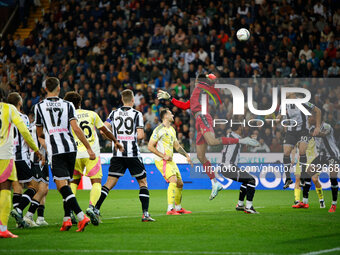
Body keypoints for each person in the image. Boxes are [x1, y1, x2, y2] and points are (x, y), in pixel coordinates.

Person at [157, 73, 258, 200]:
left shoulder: (202, 88)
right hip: (199, 120)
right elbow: (185, 106)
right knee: (200, 156)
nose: (194, 83)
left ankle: (242, 140)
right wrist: (171, 98)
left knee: (212, 141)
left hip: (203, 117)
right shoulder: (198, 92)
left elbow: (214, 82)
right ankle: (215, 183)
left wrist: (209, 77)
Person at [34, 77, 95, 232]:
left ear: (45, 89)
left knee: (62, 187)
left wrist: (46, 145)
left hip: (56, 150)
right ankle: (66, 219)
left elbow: (39, 133)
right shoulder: (68, 105)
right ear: (59, 88)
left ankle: (81, 217)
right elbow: (76, 128)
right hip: (70, 148)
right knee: (66, 185)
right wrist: (88, 148)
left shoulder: (39, 107)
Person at [94, 89, 155, 222]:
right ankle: (145, 214)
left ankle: (96, 208)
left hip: (117, 154)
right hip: (132, 154)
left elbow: (103, 130)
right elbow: (140, 135)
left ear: (122, 100)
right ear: (133, 100)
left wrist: (115, 140)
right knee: (143, 182)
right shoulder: (137, 114)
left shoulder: (114, 113)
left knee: (109, 183)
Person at [63, 91, 123, 225]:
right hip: (91, 154)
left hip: (74, 154)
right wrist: (115, 141)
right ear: (79, 102)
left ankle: (71, 211)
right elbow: (104, 130)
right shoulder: (91, 114)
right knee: (96, 182)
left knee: (73, 182)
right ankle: (91, 208)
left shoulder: (66, 117)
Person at [0, 88, 44, 238]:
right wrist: (36, 150)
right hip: (18, 156)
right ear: (20, 102)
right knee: (34, 186)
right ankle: (17, 211)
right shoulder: (20, 116)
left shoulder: (7, 112)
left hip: (10, 156)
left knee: (17, 186)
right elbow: (26, 134)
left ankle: (18, 220)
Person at [148, 108, 192, 215]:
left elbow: (176, 146)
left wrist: (186, 155)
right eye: (170, 113)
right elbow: (150, 146)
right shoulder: (158, 130)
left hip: (171, 161)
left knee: (180, 183)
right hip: (161, 160)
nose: (173, 115)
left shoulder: (172, 130)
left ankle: (178, 208)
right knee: (173, 180)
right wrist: (163, 156)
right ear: (165, 116)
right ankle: (170, 209)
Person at [278, 94, 321, 189]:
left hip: (303, 131)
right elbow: (279, 117)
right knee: (286, 153)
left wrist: (317, 127)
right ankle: (288, 178)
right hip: (291, 131)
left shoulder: (302, 101)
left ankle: (302, 177)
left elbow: (318, 110)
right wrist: (276, 119)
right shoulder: (283, 104)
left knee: (302, 152)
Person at [219, 125, 260, 214]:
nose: (242, 128)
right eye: (241, 126)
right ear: (238, 128)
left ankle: (240, 205)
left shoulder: (230, 135)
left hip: (228, 167)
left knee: (246, 181)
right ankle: (249, 207)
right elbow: (255, 144)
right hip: (229, 167)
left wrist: (249, 140)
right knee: (252, 180)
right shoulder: (235, 138)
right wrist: (253, 140)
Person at [302, 116, 339, 212]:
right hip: (321, 155)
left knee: (333, 176)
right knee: (308, 170)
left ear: (317, 119)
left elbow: (323, 134)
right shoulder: (311, 128)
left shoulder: (327, 126)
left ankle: (334, 204)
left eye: (310, 117)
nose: (309, 119)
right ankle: (305, 201)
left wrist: (311, 134)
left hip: (332, 155)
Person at [291, 139, 325, 209]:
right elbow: (293, 146)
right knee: (298, 179)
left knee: (315, 180)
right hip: (301, 160)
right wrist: (293, 158)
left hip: (313, 160)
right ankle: (297, 201)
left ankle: (321, 200)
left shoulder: (314, 134)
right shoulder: (299, 134)